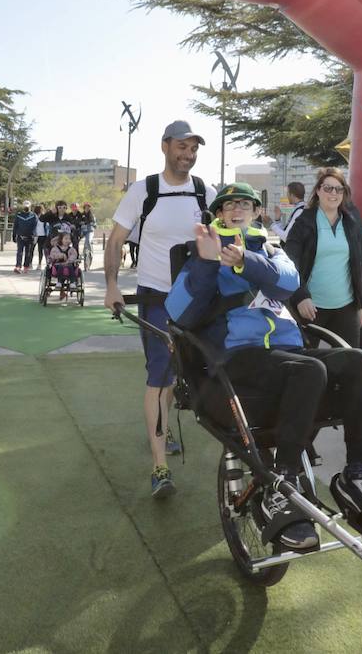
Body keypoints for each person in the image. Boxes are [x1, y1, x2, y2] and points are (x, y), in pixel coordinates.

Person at [166, 182, 362, 551]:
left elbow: (288, 284)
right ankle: (283, 484)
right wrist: (209, 262)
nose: (237, 210)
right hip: (238, 356)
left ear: (258, 212)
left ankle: (356, 475)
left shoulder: (272, 248)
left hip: (286, 350)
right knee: (309, 371)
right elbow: (178, 312)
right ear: (219, 215)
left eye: (245, 204)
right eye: (228, 206)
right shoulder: (200, 253)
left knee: (354, 359)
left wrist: (243, 259)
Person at [105, 120, 209, 498]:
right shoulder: (143, 191)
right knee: (159, 376)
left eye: (194, 148)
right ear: (165, 147)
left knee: (184, 375)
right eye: (182, 147)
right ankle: (160, 465)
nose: (188, 154)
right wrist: (112, 285)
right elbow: (116, 241)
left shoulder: (204, 192)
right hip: (157, 300)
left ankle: (163, 430)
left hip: (197, 301)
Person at [284, 168, 362, 350]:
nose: (333, 193)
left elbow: (361, 264)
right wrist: (300, 296)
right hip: (310, 307)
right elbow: (289, 262)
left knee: (350, 364)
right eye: (328, 188)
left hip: (347, 307)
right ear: (317, 191)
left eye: (339, 189)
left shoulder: (351, 223)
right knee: (305, 365)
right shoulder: (304, 223)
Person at [48, 229, 81, 300]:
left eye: (69, 239)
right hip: (57, 265)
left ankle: (72, 282)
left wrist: (69, 261)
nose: (67, 240)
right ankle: (59, 282)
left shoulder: (71, 249)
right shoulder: (55, 248)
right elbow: (52, 255)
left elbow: (74, 255)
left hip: (69, 265)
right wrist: (61, 255)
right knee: (60, 266)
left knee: (71, 267)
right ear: (61, 240)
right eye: (65, 238)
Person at [13, 200, 38, 272]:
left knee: (28, 253)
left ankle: (26, 267)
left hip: (30, 237)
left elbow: (35, 227)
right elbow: (15, 226)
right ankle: (18, 266)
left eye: (27, 206)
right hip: (20, 237)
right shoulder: (19, 215)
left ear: (30, 207)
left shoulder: (33, 216)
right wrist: (14, 235)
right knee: (19, 252)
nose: (26, 208)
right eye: (25, 206)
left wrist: (33, 236)